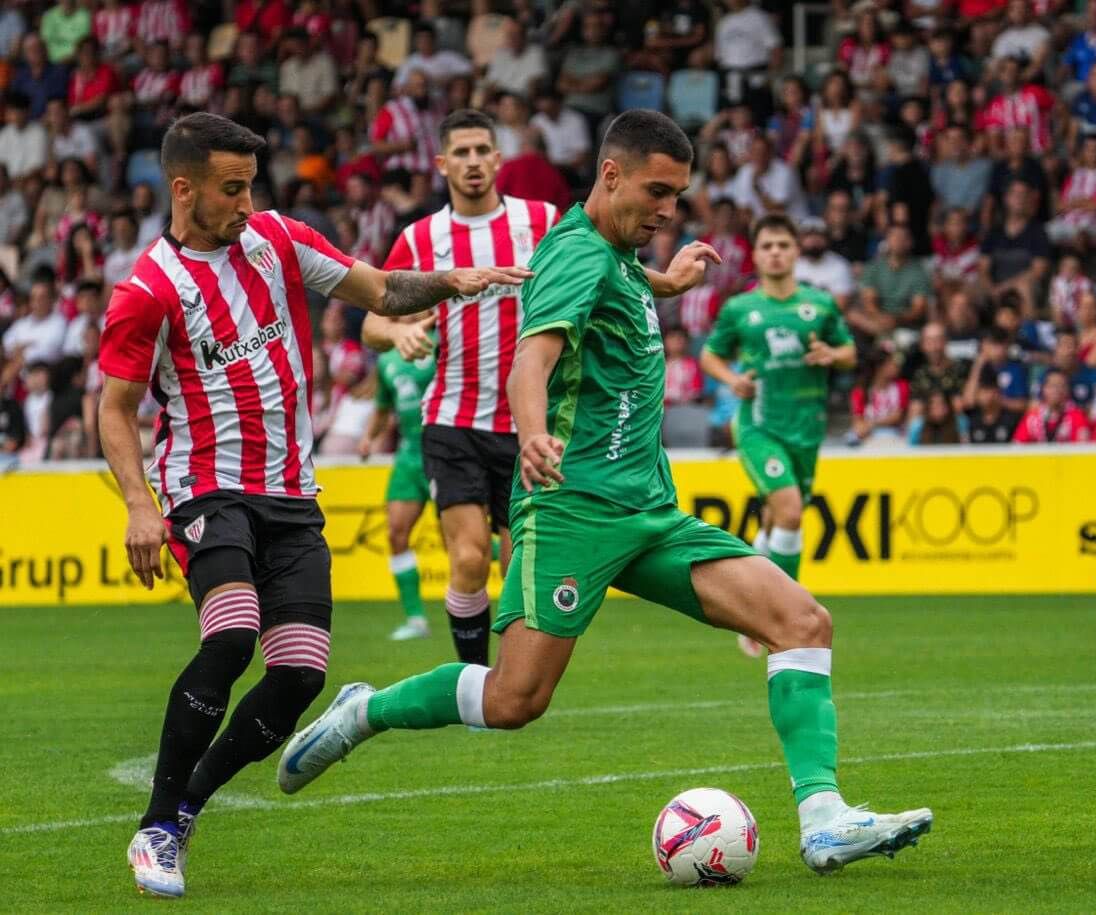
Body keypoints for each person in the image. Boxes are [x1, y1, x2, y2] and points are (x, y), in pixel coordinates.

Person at [278, 111, 933, 877]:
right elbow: (531, 362)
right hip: (574, 509)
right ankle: (365, 710)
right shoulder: (578, 253)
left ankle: (823, 819)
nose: (669, 210)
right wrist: (531, 434)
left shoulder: (612, 252)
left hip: (649, 511)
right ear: (611, 175)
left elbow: (609, 277)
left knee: (802, 620)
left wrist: (668, 281)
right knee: (515, 699)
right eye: (658, 192)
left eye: (678, 195)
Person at [100, 112, 531, 898]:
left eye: (251, 185)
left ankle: (187, 805)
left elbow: (381, 288)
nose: (246, 202)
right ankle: (156, 824)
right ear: (183, 189)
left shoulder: (277, 239)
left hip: (292, 494)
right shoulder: (149, 290)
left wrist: (451, 280)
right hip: (206, 485)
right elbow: (115, 406)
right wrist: (138, 503)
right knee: (232, 634)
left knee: (299, 675)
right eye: (231, 189)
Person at [360, 109, 562, 668]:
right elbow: (373, 320)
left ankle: (512, 682)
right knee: (470, 560)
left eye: (481, 151)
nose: (472, 162)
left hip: (527, 425)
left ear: (497, 159)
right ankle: (475, 681)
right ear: (442, 164)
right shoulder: (421, 238)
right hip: (452, 420)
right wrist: (398, 333)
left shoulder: (542, 222)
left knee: (518, 567)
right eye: (461, 153)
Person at [700, 213, 856, 650]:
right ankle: (786, 617)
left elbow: (848, 351)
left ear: (796, 251)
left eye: (783, 245)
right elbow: (710, 356)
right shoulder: (740, 309)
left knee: (776, 520)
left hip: (806, 427)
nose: (775, 253)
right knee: (789, 511)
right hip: (758, 426)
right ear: (756, 254)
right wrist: (732, 381)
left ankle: (751, 611)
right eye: (767, 246)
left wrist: (831, 355)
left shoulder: (819, 305)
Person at [359, 310, 438, 641]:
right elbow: (383, 407)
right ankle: (416, 620)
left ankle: (514, 554)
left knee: (463, 540)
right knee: (396, 533)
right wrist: (369, 437)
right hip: (408, 455)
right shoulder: (388, 358)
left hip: (443, 449)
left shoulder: (441, 343)